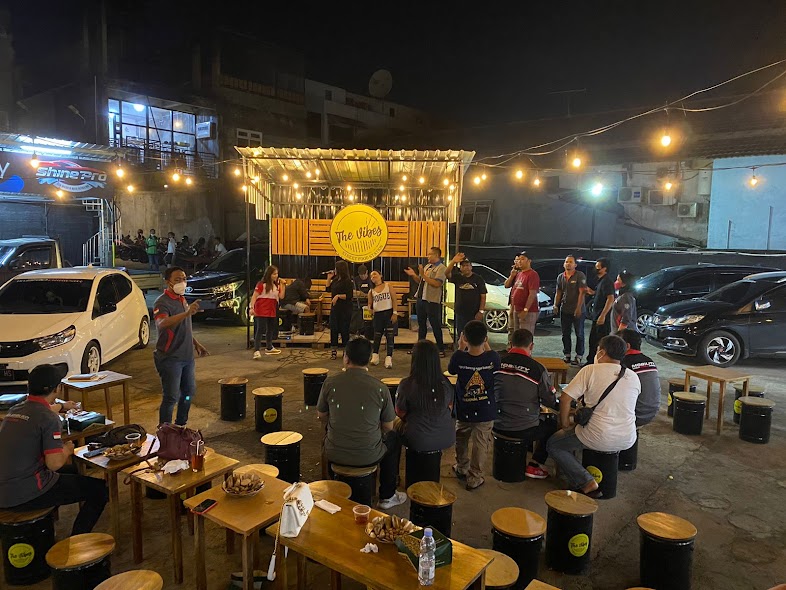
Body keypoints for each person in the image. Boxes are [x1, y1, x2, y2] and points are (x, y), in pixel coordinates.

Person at [0, 365, 108, 534]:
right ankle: (77, 540)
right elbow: (54, 464)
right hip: (24, 494)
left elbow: (40, 409)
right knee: (100, 490)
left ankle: (52, 521)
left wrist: (62, 406)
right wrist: (67, 449)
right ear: (57, 388)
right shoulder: (49, 418)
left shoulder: (15, 411)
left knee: (73, 472)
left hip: (4, 488)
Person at [546, 335, 640, 498]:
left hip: (598, 436)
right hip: (628, 438)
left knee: (554, 444)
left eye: (597, 351)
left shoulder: (590, 370)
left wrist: (565, 424)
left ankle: (585, 481)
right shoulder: (633, 376)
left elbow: (565, 398)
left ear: (602, 353)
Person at [317, 337, 406, 509]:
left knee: (329, 433)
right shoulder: (380, 388)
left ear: (346, 358)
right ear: (369, 359)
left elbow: (321, 415)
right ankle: (387, 496)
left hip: (334, 452)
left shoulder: (330, 383)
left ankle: (328, 484)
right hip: (369, 456)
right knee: (394, 438)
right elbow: (388, 426)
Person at [493, 329, 558, 479]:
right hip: (524, 428)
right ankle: (535, 464)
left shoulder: (496, 362)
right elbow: (549, 401)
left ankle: (526, 449)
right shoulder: (537, 369)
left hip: (495, 423)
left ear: (511, 343)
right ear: (531, 346)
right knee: (551, 423)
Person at [153, 267, 210, 426]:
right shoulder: (162, 302)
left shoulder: (182, 299)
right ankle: (165, 430)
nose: (182, 282)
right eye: (177, 279)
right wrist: (186, 313)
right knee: (171, 397)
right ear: (168, 282)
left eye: (184, 279)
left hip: (187, 357)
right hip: (170, 358)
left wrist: (195, 343)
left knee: (188, 393)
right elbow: (162, 323)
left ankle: (180, 425)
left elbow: (183, 326)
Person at [448, 320, 501, 491]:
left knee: (461, 437)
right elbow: (495, 363)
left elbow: (451, 370)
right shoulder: (493, 358)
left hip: (464, 407)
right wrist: (486, 344)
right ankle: (475, 477)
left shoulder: (459, 357)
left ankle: (461, 466)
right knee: (481, 443)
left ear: (464, 337)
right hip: (485, 409)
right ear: (485, 339)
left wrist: (460, 347)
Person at [395, 340, 456, 452]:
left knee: (393, 423)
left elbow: (400, 412)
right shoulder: (446, 383)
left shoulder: (407, 384)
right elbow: (450, 407)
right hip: (447, 437)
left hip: (417, 440)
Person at [405, 246, 447, 357]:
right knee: (421, 325)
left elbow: (437, 283)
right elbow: (421, 281)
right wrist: (414, 275)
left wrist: (423, 274)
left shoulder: (441, 268)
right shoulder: (428, 266)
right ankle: (419, 349)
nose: (427, 256)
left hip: (431, 300)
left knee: (435, 325)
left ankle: (441, 349)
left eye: (430, 254)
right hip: (421, 298)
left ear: (436, 255)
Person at [618, 329, 660, 427]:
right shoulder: (650, 361)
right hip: (652, 412)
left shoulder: (623, 364)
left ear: (627, 346)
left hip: (634, 415)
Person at [446, 253, 487, 344]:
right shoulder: (457, 277)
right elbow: (446, 273)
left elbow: (483, 296)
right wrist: (453, 262)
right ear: (460, 268)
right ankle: (461, 350)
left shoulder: (478, 279)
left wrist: (481, 311)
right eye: (463, 266)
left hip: (474, 313)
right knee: (461, 335)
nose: (466, 268)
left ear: (471, 267)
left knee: (474, 336)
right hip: (460, 312)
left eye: (467, 265)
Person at [554, 255, 588, 366]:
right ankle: (567, 354)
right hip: (565, 309)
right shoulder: (561, 277)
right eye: (566, 262)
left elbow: (582, 293)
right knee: (565, 333)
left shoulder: (580, 275)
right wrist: (556, 305)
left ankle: (579, 356)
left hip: (578, 310)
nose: (568, 263)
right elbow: (559, 292)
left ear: (575, 265)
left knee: (579, 333)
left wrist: (578, 308)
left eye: (570, 262)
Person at [250, 265, 285, 357]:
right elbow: (254, 296)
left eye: (277, 274)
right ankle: (257, 350)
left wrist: (283, 285)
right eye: (274, 274)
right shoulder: (261, 284)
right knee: (260, 329)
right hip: (261, 310)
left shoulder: (276, 285)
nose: (276, 276)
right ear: (269, 274)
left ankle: (269, 347)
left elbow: (281, 296)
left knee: (270, 329)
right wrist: (251, 308)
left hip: (272, 310)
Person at [585, 258, 615, 364]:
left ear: (604, 268)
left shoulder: (607, 282)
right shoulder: (601, 281)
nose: (596, 269)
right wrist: (593, 292)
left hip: (602, 318)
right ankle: (591, 361)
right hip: (596, 316)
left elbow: (610, 298)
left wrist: (603, 315)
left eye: (598, 267)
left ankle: (597, 363)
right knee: (593, 340)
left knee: (599, 342)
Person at [506, 251, 540, 339]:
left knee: (525, 337)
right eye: (519, 259)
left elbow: (532, 294)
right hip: (516, 310)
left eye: (523, 259)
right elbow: (507, 285)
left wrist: (525, 310)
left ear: (529, 261)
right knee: (517, 337)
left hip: (528, 311)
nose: (520, 261)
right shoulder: (519, 274)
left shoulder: (532, 274)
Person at [368, 270, 398, 368]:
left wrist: (395, 313)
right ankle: (375, 355)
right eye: (371, 276)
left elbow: (394, 300)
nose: (373, 276)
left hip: (388, 313)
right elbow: (369, 303)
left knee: (390, 336)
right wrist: (370, 309)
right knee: (377, 336)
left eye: (375, 274)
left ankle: (389, 357)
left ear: (380, 275)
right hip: (378, 315)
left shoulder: (388, 286)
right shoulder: (371, 291)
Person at [326, 260, 354, 360]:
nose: (334, 270)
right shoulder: (335, 280)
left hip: (344, 309)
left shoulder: (348, 281)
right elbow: (328, 289)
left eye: (336, 268)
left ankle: (346, 351)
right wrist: (329, 278)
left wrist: (338, 296)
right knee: (334, 328)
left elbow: (349, 295)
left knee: (344, 329)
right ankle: (333, 349)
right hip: (335, 308)